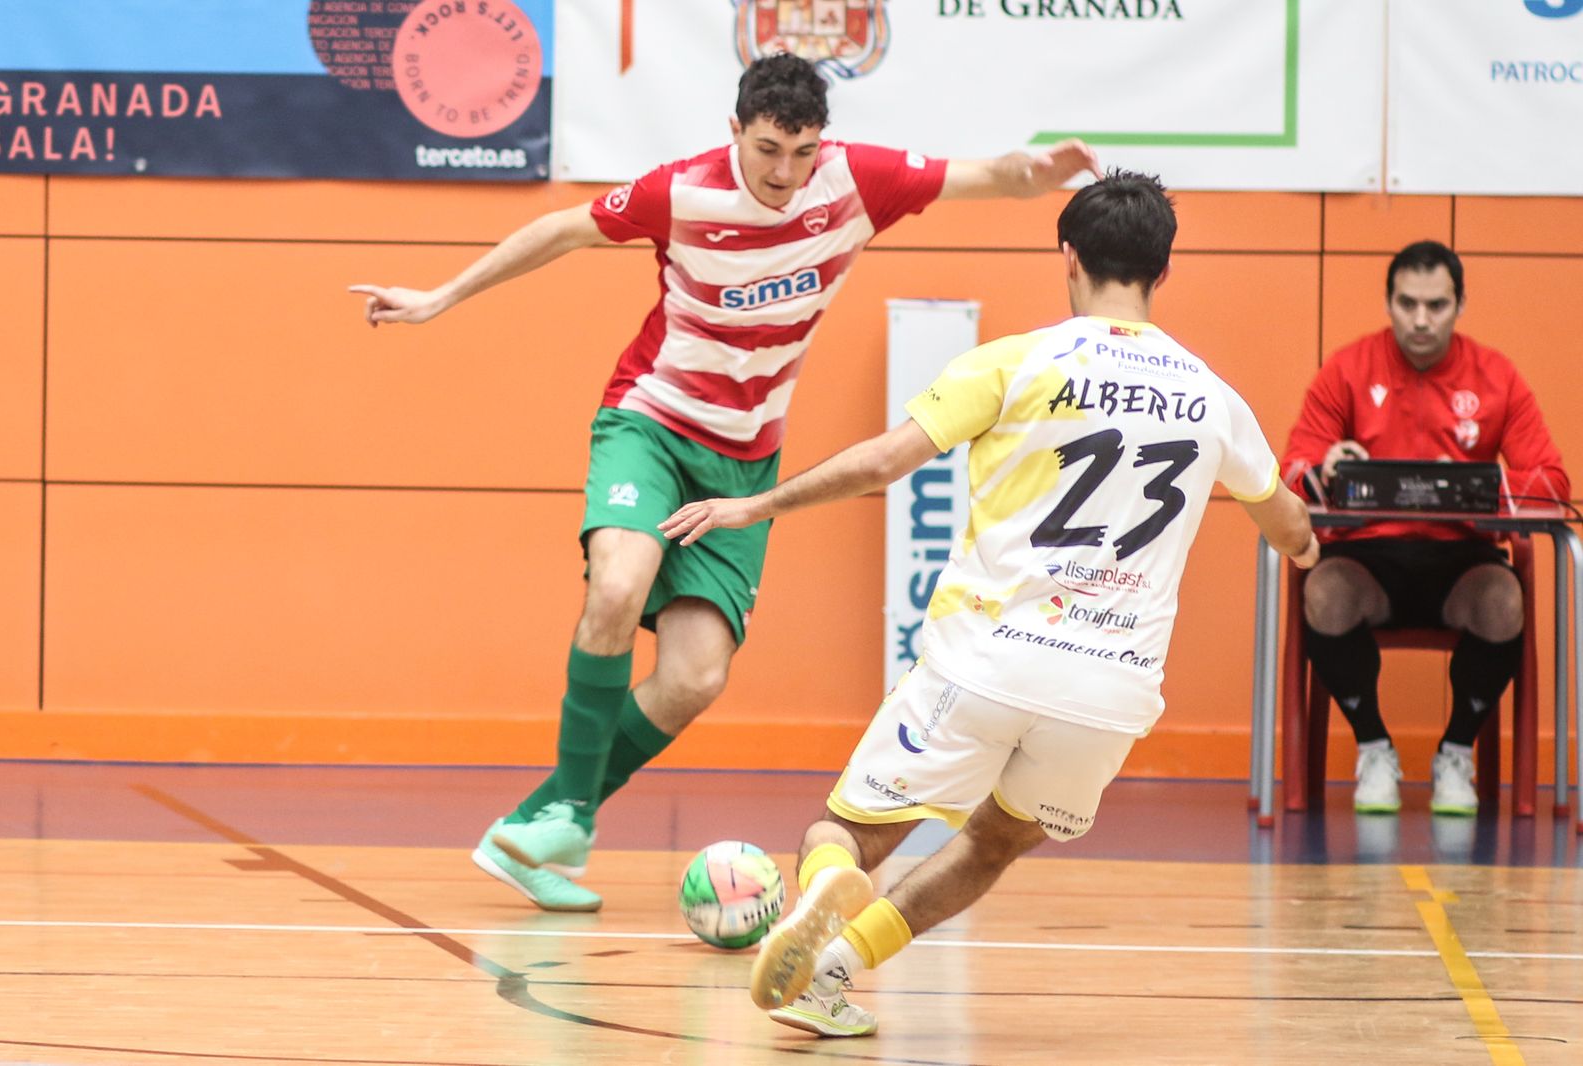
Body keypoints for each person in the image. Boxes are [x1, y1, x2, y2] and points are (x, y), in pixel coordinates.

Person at [348, 53, 1103, 912]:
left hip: (745, 459)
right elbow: (561, 229)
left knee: (695, 678)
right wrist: (440, 297)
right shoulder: (681, 192)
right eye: (768, 150)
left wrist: (1034, 172)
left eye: (802, 153)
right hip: (651, 423)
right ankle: (565, 813)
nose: (785, 173)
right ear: (735, 132)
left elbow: (992, 176)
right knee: (618, 587)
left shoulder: (857, 182)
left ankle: (540, 823)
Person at [659, 169, 1320, 1037]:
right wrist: (1308, 547)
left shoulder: (1015, 363)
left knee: (847, 831)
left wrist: (755, 506)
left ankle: (826, 886)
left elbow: (883, 462)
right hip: (1110, 692)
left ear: (1069, 256)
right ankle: (832, 973)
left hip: (987, 662)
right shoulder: (1214, 399)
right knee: (994, 840)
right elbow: (1287, 524)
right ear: (1163, 270)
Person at [1281, 240, 1569, 817]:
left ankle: (1456, 753)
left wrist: (1475, 485)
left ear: (1460, 305)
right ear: (1388, 302)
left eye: (1436, 305)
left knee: (1504, 601)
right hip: (1367, 560)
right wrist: (1324, 470)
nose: (1420, 319)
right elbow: (1290, 474)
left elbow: (1554, 484)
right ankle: (1374, 748)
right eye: (1407, 303)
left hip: (1461, 560)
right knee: (1324, 592)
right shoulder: (1347, 369)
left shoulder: (1497, 376)